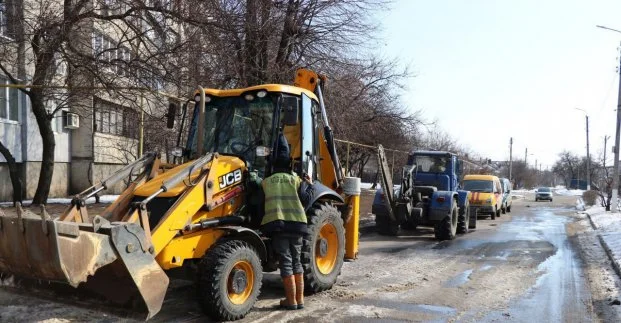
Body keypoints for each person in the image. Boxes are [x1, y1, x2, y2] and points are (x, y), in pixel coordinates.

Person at [261, 134, 311, 310]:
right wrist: (309, 184)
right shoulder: (296, 180)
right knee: (297, 260)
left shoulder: (266, 182)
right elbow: (305, 199)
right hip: (298, 225)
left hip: (279, 226)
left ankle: (291, 301)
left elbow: (260, 198)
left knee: (286, 261)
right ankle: (299, 300)